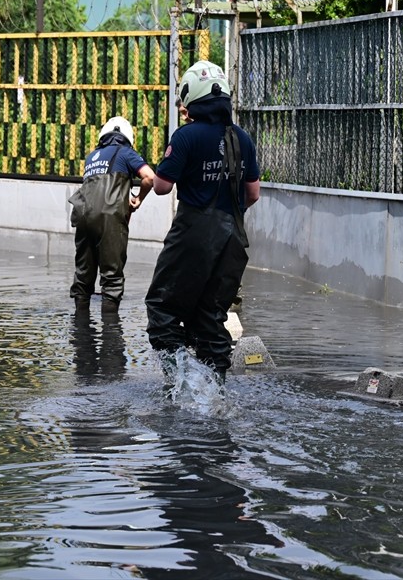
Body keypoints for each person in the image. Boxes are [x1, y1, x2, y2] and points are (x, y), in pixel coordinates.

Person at [145, 60, 260, 386]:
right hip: (233, 240)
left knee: (163, 309)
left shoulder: (185, 137)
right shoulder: (242, 138)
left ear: (190, 98)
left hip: (193, 235)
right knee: (211, 316)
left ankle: (180, 383)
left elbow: (162, 186)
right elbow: (252, 194)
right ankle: (214, 390)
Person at [69, 116, 156, 317]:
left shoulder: (92, 156)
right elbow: (150, 177)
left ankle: (81, 330)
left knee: (83, 274)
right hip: (109, 219)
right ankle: (111, 336)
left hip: (82, 216)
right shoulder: (125, 153)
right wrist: (138, 198)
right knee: (111, 278)